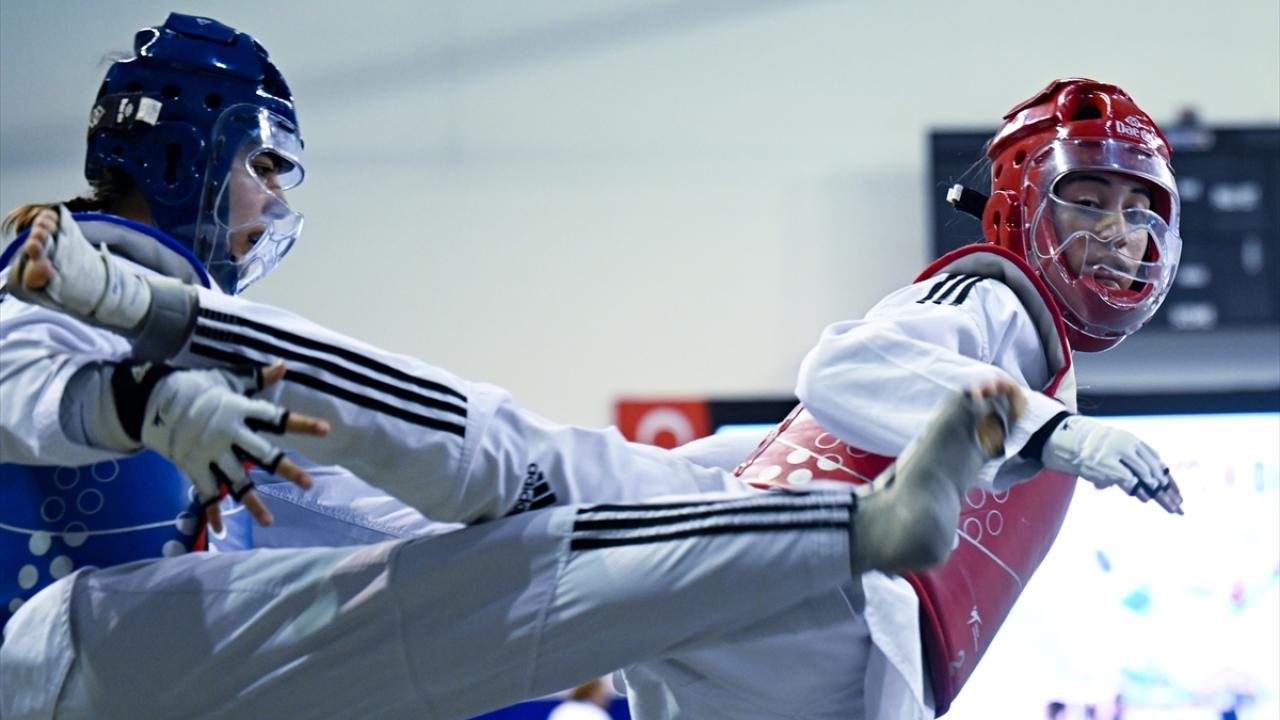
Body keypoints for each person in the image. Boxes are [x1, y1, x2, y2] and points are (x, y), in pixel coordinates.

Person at [0, 14, 1181, 717]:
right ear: (188, 149)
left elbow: (374, 526)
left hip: (849, 669)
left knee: (478, 564)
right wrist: (145, 393)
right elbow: (24, 394)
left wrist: (687, 492)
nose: (1120, 238)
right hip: (66, 656)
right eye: (264, 167)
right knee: (490, 507)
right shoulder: (42, 278)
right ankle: (830, 529)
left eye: (1141, 212)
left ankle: (786, 525)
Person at [548, 678, 614, 720]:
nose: (606, 697)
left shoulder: (562, 709)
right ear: (592, 692)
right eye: (601, 692)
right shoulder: (595, 712)